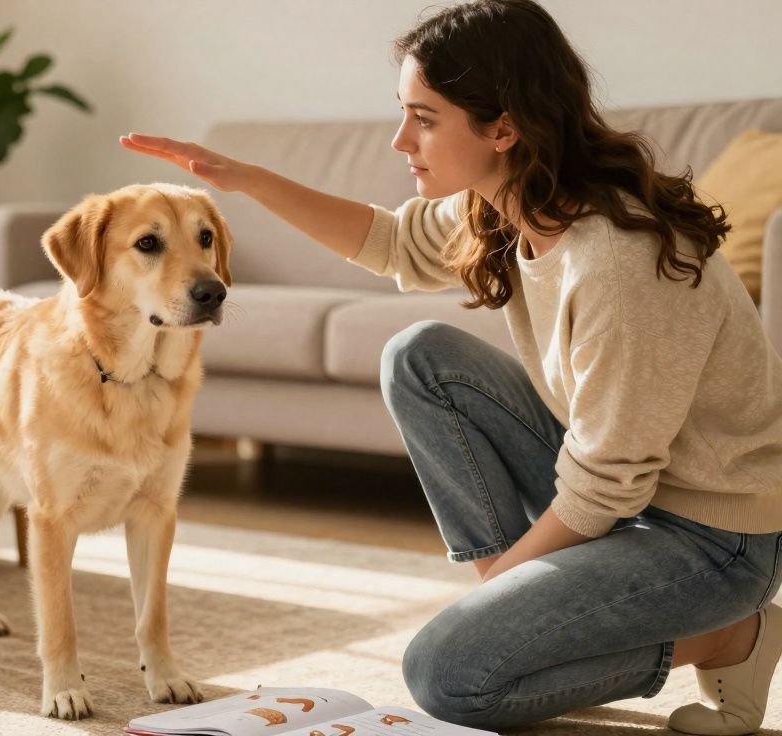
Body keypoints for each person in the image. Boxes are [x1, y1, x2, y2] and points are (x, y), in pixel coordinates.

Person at [119, 0, 782, 733]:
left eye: (425, 118)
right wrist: (242, 178)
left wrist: (499, 594)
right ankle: (527, 628)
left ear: (504, 127)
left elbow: (607, 482)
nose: (402, 140)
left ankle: (734, 636)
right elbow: (392, 243)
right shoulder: (505, 200)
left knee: (449, 677)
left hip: (715, 540)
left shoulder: (620, 262)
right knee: (420, 358)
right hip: (632, 497)